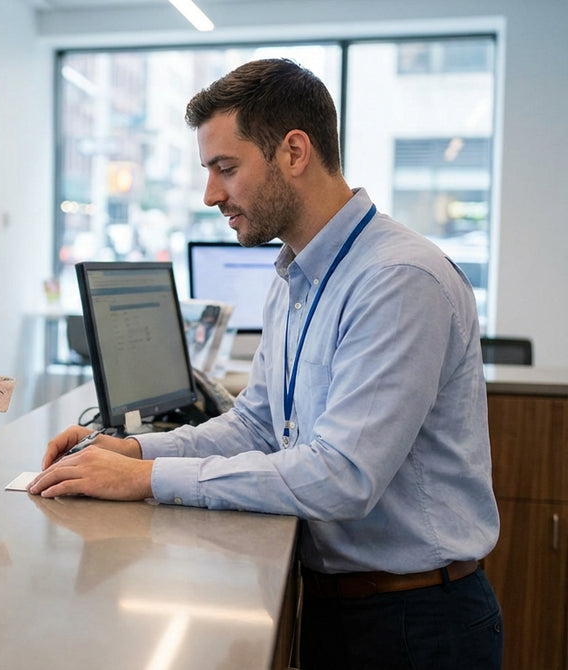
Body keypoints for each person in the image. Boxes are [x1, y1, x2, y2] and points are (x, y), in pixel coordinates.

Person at [28, 58, 502, 669]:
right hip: (338, 603)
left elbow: (342, 476)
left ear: (294, 152)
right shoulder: (294, 274)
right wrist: (136, 452)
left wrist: (147, 482)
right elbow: (255, 425)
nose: (210, 195)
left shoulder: (398, 280)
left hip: (416, 624)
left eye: (226, 168)